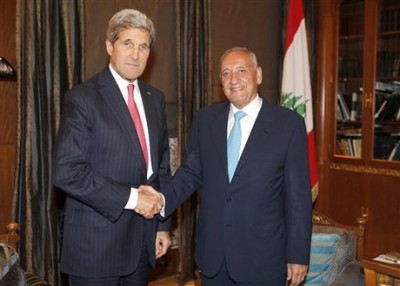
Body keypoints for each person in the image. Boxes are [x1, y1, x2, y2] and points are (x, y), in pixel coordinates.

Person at [142, 47, 312, 286]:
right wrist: (160, 199)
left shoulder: (288, 124)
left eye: (242, 70)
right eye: (226, 73)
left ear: (258, 75)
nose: (233, 80)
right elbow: (189, 174)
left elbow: (298, 198)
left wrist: (297, 255)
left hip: (263, 259)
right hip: (214, 258)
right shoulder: (205, 120)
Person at [52, 9, 171, 286]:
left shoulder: (155, 99)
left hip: (142, 244)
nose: (135, 54)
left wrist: (163, 225)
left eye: (143, 46)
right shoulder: (83, 98)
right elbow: (67, 171)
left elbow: (161, 167)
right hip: (96, 250)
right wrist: (133, 198)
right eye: (127, 43)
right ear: (109, 46)